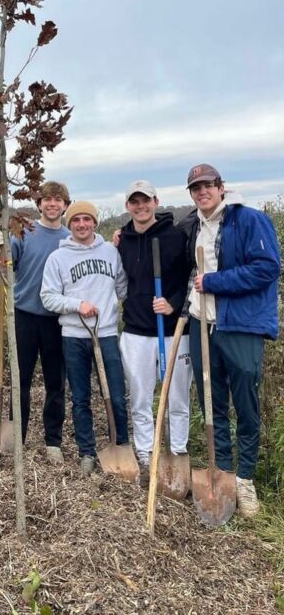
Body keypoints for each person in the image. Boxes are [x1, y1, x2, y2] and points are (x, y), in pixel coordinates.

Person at [180, 163, 280, 517]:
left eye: (208, 185)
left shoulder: (248, 220)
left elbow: (268, 267)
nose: (202, 192)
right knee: (211, 401)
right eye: (196, 188)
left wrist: (216, 282)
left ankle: (246, 479)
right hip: (201, 324)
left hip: (240, 326)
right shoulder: (193, 224)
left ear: (221, 187)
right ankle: (221, 470)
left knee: (246, 403)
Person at [40, 201, 129, 474]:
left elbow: (122, 286)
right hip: (74, 335)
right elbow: (48, 297)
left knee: (115, 394)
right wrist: (77, 305)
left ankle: (122, 445)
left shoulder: (110, 252)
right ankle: (87, 451)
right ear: (70, 224)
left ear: (95, 223)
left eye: (86, 219)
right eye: (76, 220)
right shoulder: (58, 258)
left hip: (106, 333)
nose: (81, 224)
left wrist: (111, 305)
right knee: (81, 397)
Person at [117, 180, 191, 486]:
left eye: (145, 200)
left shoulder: (175, 236)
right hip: (136, 332)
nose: (140, 206)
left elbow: (191, 277)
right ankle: (147, 454)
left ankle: (177, 451)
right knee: (140, 398)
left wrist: (172, 304)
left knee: (177, 398)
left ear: (156, 202)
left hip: (173, 333)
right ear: (128, 206)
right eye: (134, 201)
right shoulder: (123, 240)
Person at [0, 181, 71, 464]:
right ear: (39, 204)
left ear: (65, 205)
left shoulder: (69, 237)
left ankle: (53, 442)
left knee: (55, 382)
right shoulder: (23, 232)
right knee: (21, 380)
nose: (52, 204)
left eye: (58, 200)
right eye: (47, 200)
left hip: (57, 319)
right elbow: (2, 269)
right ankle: (18, 438)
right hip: (24, 315)